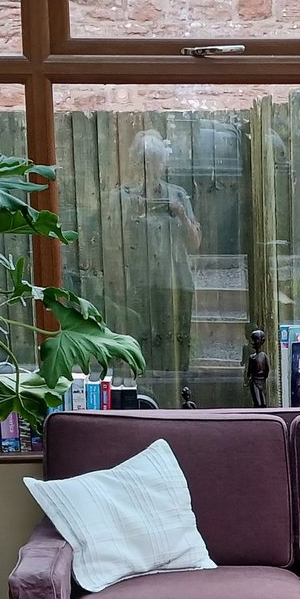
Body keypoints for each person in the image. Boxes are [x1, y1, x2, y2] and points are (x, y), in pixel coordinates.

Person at [116, 130, 199, 399]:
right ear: (135, 163)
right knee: (140, 344)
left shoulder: (178, 195)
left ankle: (178, 398)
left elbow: (195, 243)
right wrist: (131, 213)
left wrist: (182, 215)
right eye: (146, 160)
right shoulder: (122, 198)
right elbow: (109, 245)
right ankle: (140, 399)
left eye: (156, 160)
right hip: (137, 288)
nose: (152, 166)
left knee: (177, 345)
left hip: (177, 285)